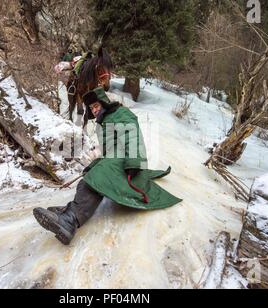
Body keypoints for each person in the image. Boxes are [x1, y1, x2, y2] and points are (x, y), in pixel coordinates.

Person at [33, 87, 182, 245]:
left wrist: (133, 162)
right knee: (89, 179)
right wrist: (95, 164)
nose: (94, 110)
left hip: (127, 160)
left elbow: (132, 135)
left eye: (96, 106)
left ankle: (69, 221)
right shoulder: (102, 124)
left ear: (104, 103)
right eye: (91, 108)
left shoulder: (121, 114)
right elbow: (109, 152)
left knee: (99, 176)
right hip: (115, 159)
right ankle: (71, 209)